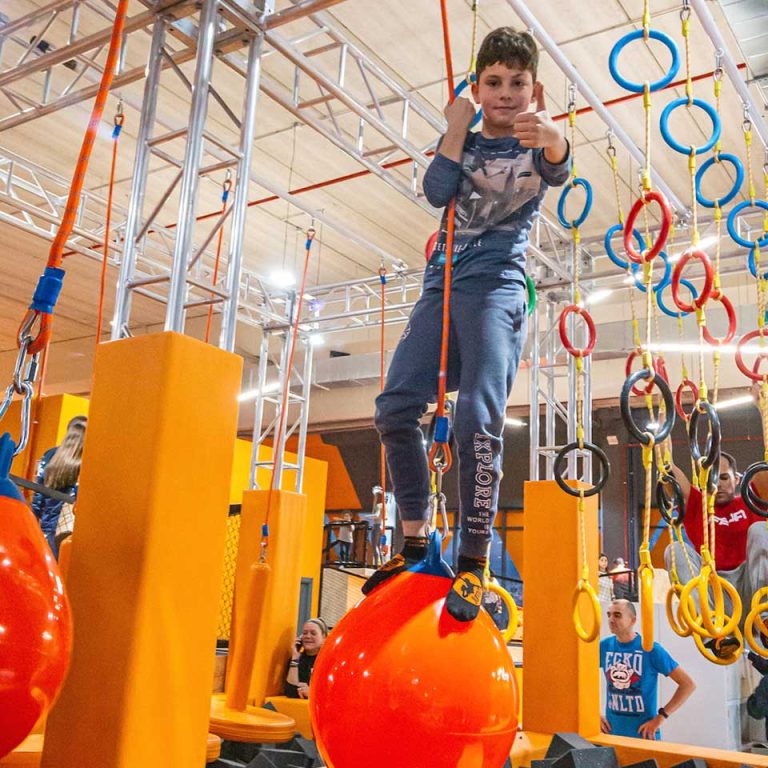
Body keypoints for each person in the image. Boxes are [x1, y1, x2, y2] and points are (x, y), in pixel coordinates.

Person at [367, 26, 570, 622]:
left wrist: (556, 138)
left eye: (517, 83)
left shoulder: (537, 140)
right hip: (441, 285)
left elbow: (558, 167)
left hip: (496, 286)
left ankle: (475, 560)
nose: (505, 93)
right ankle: (413, 539)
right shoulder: (463, 138)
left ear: (534, 90)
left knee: (477, 418)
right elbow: (437, 192)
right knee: (393, 409)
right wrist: (456, 128)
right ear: (477, 88)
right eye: (494, 82)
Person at [663, 449, 768, 649]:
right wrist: (659, 439)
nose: (718, 484)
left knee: (760, 529)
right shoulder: (696, 505)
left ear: (737, 479)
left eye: (724, 477)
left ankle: (765, 617)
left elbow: (764, 474)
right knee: (674, 550)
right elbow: (668, 474)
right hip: (714, 595)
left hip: (750, 590)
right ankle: (710, 630)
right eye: (712, 477)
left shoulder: (752, 500)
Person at [600, 599, 695, 740]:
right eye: (609, 615)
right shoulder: (604, 646)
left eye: (617, 615)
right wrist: (592, 713)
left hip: (644, 736)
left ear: (633, 620)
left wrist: (661, 717)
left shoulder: (651, 649)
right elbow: (580, 677)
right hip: (612, 735)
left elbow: (688, 685)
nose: (611, 620)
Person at [31, 415, 87, 559]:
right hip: (70, 529)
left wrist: (35, 520)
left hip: (47, 525)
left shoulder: (50, 455)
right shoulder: (87, 460)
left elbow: (38, 494)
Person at [285, 618, 328, 700]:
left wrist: (312, 693)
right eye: (305, 633)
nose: (308, 636)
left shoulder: (329, 661)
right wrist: (295, 658)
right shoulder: (297, 660)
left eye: (313, 633)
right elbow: (290, 692)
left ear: (324, 638)